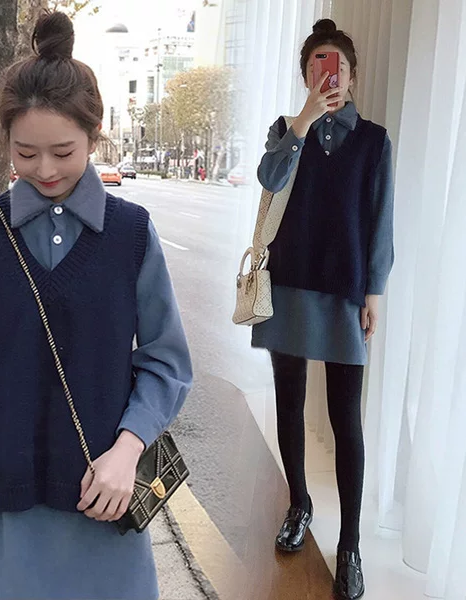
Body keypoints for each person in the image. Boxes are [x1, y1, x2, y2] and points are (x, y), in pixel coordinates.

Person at [0, 11, 192, 600]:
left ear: (95, 136)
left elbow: (167, 361)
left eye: (63, 151)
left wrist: (129, 450)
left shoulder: (131, 234)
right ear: (6, 141)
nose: (44, 170)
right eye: (25, 153)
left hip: (102, 502)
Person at [253, 19, 394, 600]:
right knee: (288, 403)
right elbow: (269, 178)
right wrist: (303, 122)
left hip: (344, 292)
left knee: (346, 419)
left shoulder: (374, 141)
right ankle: (300, 504)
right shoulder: (286, 130)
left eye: (336, 66)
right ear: (306, 75)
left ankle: (350, 544)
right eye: (318, 66)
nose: (328, 75)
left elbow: (381, 219)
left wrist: (374, 292)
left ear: (352, 76)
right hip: (288, 283)